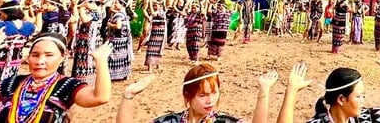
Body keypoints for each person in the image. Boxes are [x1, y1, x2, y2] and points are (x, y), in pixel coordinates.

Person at [0, 31, 112, 123]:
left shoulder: (67, 85)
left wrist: (101, 62)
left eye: (49, 55)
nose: (40, 61)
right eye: (35, 55)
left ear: (62, 58)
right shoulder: (13, 83)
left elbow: (100, 97)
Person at [277, 47, 380, 123]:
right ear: (341, 99)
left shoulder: (366, 118)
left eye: (363, 96)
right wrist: (292, 90)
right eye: (359, 96)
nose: (363, 100)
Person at [116, 63, 279, 123]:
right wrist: (128, 96)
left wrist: (263, 91)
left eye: (214, 93)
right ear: (188, 95)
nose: (210, 100)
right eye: (202, 95)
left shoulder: (223, 121)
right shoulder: (171, 120)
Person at [105, 0, 134, 82]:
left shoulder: (119, 15)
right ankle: (124, 74)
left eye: (116, 3)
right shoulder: (124, 14)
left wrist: (109, 25)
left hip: (117, 40)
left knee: (113, 57)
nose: (114, 4)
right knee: (123, 56)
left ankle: (113, 75)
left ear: (122, 5)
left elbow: (118, 26)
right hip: (123, 39)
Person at [141, 0, 167, 72]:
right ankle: (157, 65)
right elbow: (149, 16)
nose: (154, 7)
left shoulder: (161, 12)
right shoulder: (159, 12)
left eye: (156, 5)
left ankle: (150, 69)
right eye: (153, 5)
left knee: (152, 49)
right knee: (156, 49)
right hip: (155, 33)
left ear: (160, 6)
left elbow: (153, 13)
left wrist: (149, 3)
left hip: (159, 34)